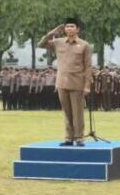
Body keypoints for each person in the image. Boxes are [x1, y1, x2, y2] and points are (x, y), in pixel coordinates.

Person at [39, 18, 93, 147]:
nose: (69, 28)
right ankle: (69, 138)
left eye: (72, 26)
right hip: (62, 83)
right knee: (67, 112)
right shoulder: (58, 43)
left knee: (77, 112)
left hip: (77, 83)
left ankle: (79, 138)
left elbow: (88, 66)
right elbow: (41, 44)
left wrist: (87, 86)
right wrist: (51, 33)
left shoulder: (84, 45)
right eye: (67, 26)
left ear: (77, 29)